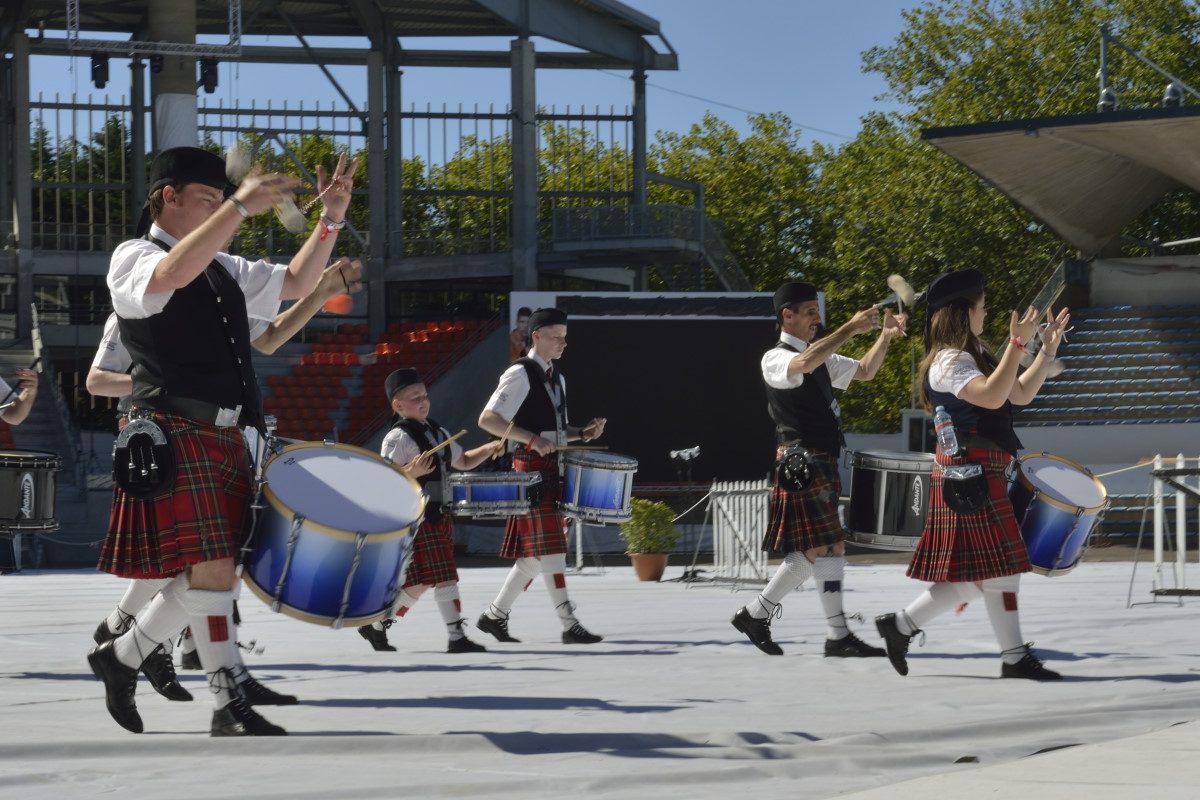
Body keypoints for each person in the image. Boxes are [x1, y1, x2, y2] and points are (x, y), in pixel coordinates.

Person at [86, 144, 358, 737]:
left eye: (220, 199)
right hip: (175, 428)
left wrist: (330, 218)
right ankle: (223, 702)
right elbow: (168, 275)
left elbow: (294, 281)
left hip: (226, 433)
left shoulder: (223, 269)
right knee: (211, 570)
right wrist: (236, 206)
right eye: (206, 200)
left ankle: (125, 656)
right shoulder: (133, 255)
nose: (218, 211)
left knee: (217, 573)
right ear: (168, 198)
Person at [874, 269, 1070, 681]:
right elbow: (993, 395)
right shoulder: (948, 362)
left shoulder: (974, 351)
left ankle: (901, 626)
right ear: (964, 312)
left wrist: (1045, 351)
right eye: (981, 307)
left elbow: (1018, 393)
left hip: (981, 472)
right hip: (970, 475)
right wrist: (1018, 342)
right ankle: (1012, 658)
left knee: (988, 575)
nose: (986, 313)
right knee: (999, 570)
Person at [731, 281, 905, 657]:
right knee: (814, 550)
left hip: (819, 461)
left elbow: (865, 371)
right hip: (800, 462)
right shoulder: (774, 358)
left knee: (831, 548)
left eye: (817, 311)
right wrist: (850, 329)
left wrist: (886, 336)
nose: (817, 318)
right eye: (810, 312)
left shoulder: (821, 354)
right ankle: (756, 613)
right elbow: (804, 364)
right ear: (787, 316)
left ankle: (836, 635)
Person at [475, 307, 607, 644]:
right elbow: (488, 420)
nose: (563, 343)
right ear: (536, 336)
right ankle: (568, 622)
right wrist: (531, 440)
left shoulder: (556, 377)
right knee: (552, 551)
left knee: (535, 556)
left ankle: (494, 616)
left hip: (552, 469)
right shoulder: (520, 373)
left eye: (565, 337)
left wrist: (585, 433)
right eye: (556, 336)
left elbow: (558, 431)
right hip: (531, 470)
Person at [357, 368, 504, 653]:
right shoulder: (397, 438)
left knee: (422, 581)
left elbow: (463, 460)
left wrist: (489, 449)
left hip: (439, 514)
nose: (423, 402)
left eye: (425, 396)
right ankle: (456, 636)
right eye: (415, 398)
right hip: (416, 517)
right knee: (445, 574)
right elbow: (384, 480)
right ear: (398, 405)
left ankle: (375, 625)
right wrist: (411, 471)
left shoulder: (438, 431)